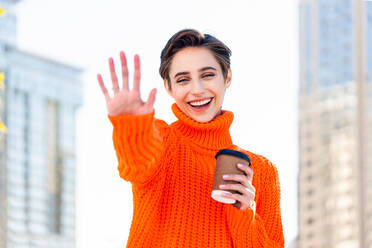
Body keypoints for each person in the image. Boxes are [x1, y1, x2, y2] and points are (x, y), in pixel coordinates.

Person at [97, 29, 284, 247]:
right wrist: (130, 124)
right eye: (183, 79)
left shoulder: (262, 171)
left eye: (207, 75)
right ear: (169, 87)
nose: (197, 89)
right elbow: (136, 163)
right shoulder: (163, 140)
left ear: (227, 78)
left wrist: (244, 213)